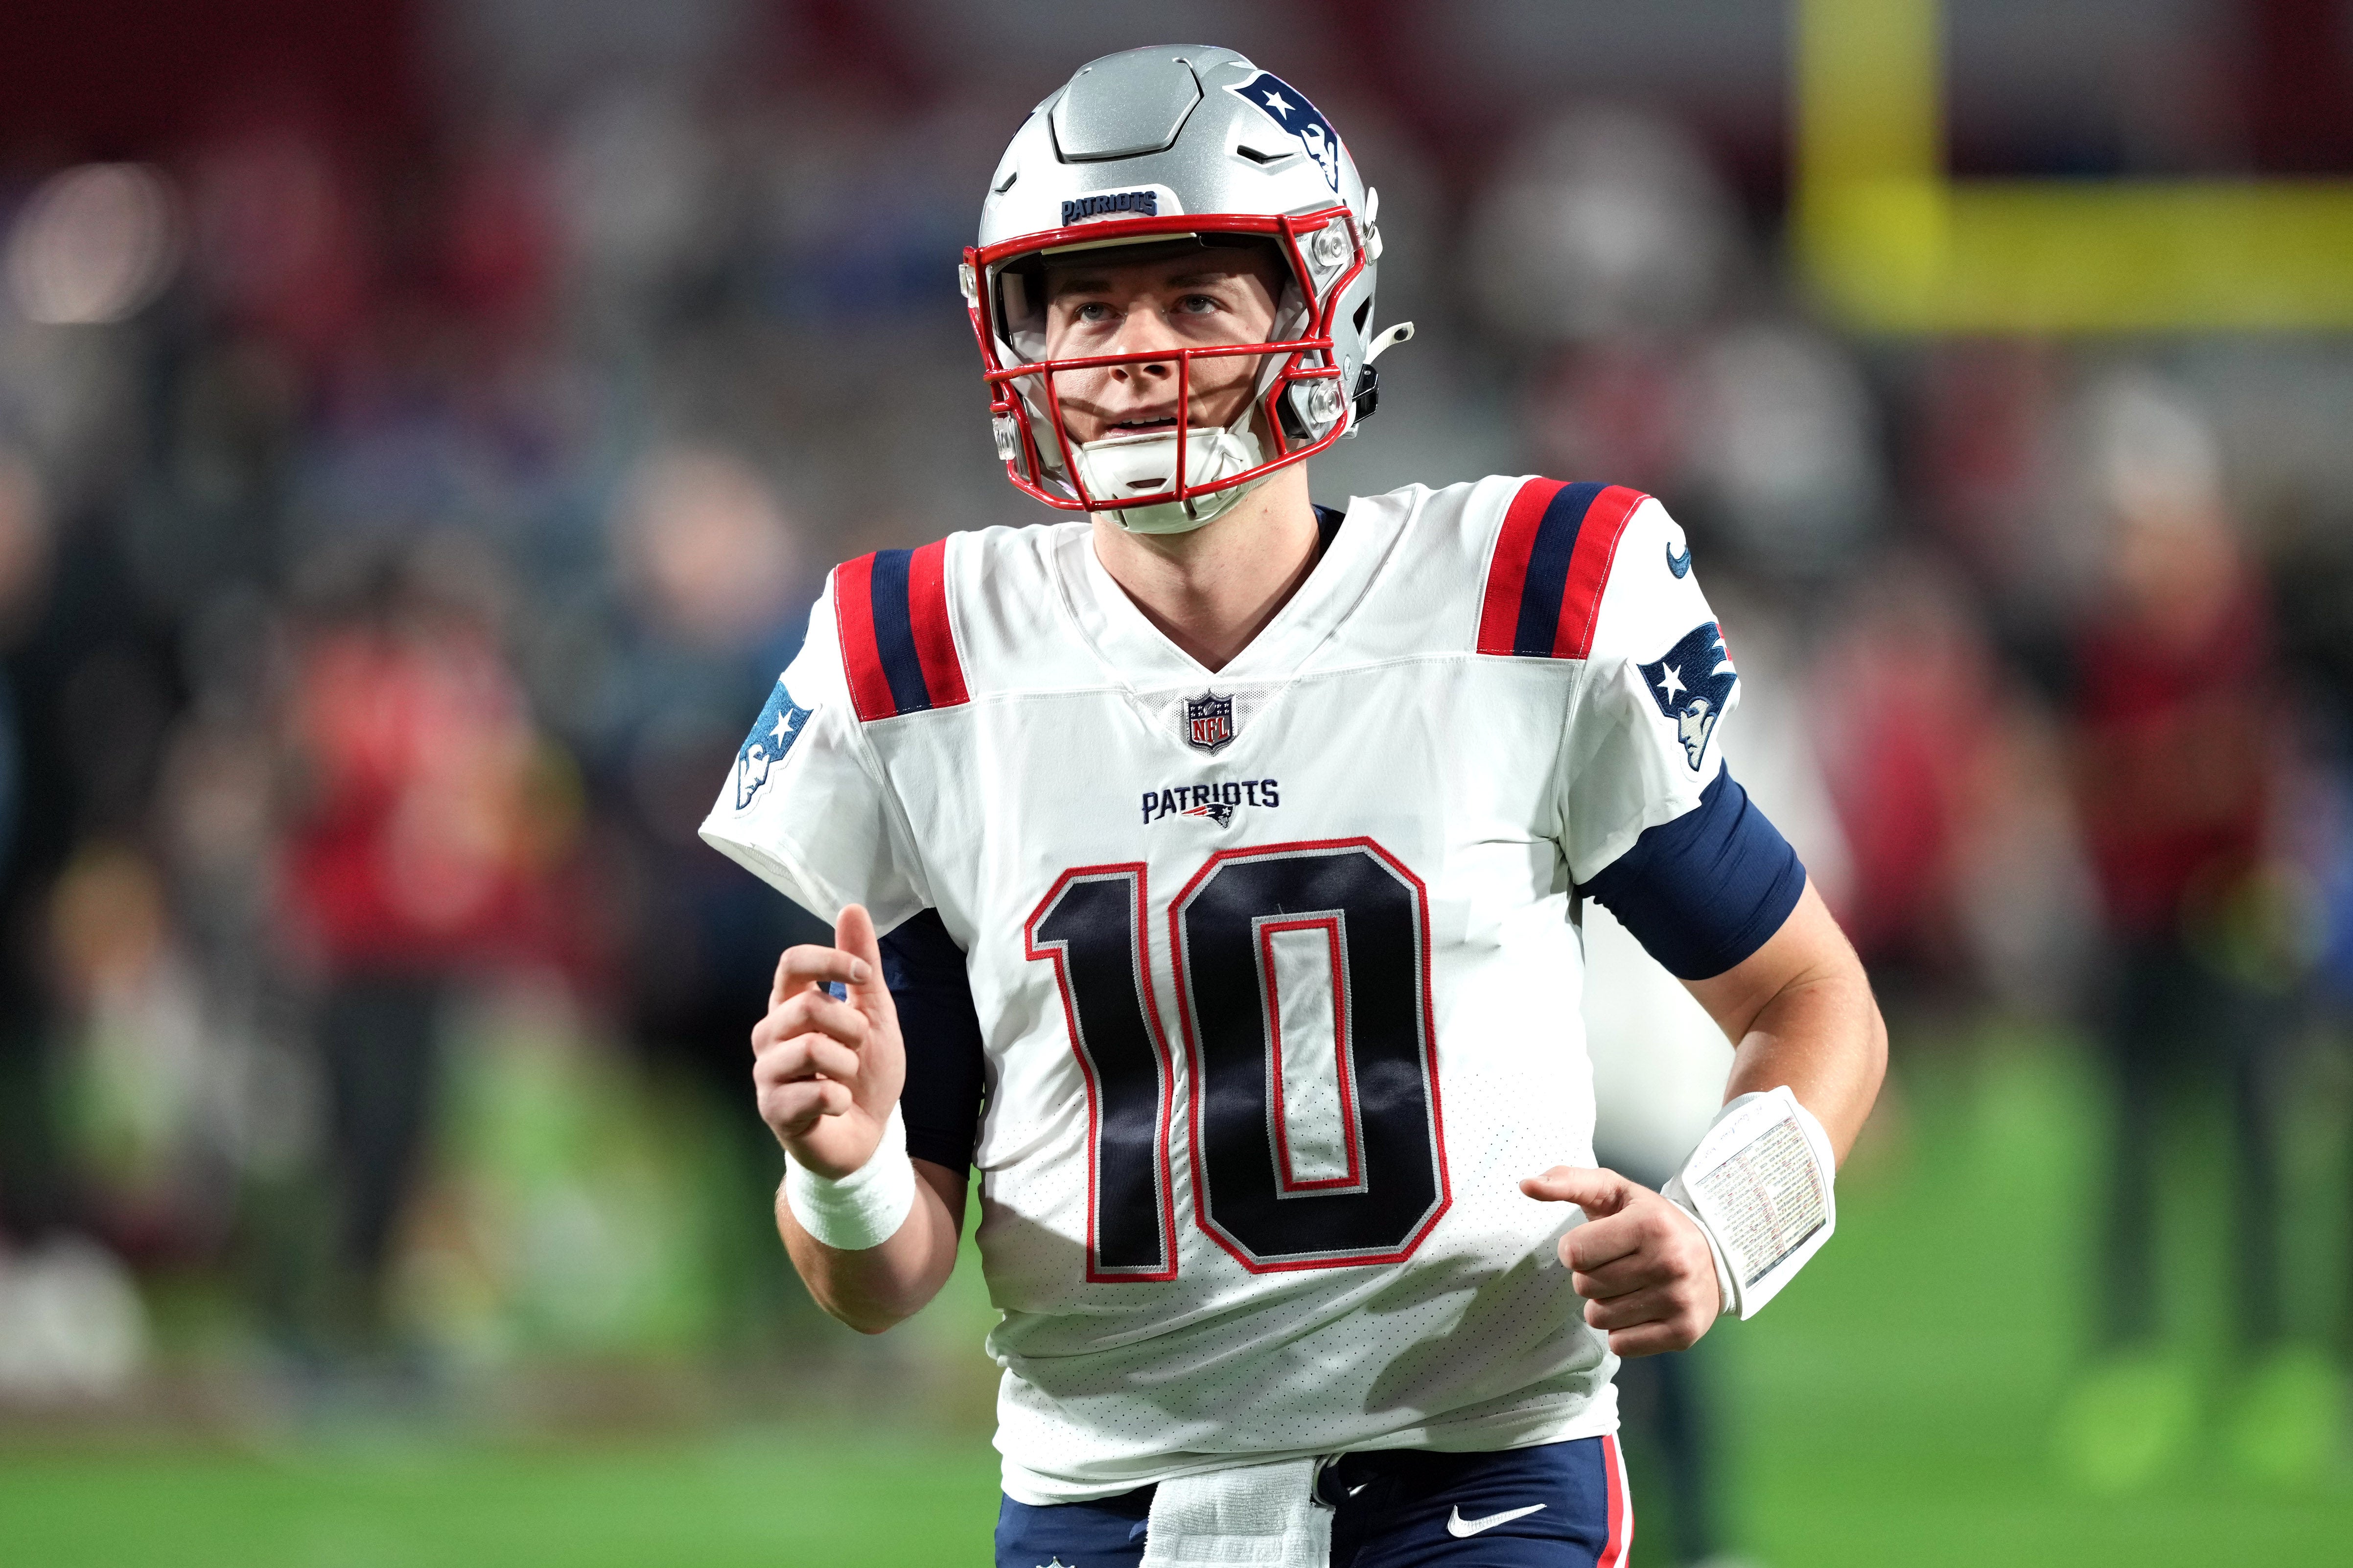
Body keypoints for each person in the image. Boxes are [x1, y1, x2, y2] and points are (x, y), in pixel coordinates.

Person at [702, 46, 1885, 1567]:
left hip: (1477, 1473)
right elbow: (882, 1273)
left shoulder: (1525, 599)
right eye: (1086, 302)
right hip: (1095, 1500)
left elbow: (1812, 996)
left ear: (1311, 314)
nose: (1130, 348)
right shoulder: (922, 659)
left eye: (1195, 298)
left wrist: (1725, 1228)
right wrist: (844, 1165)